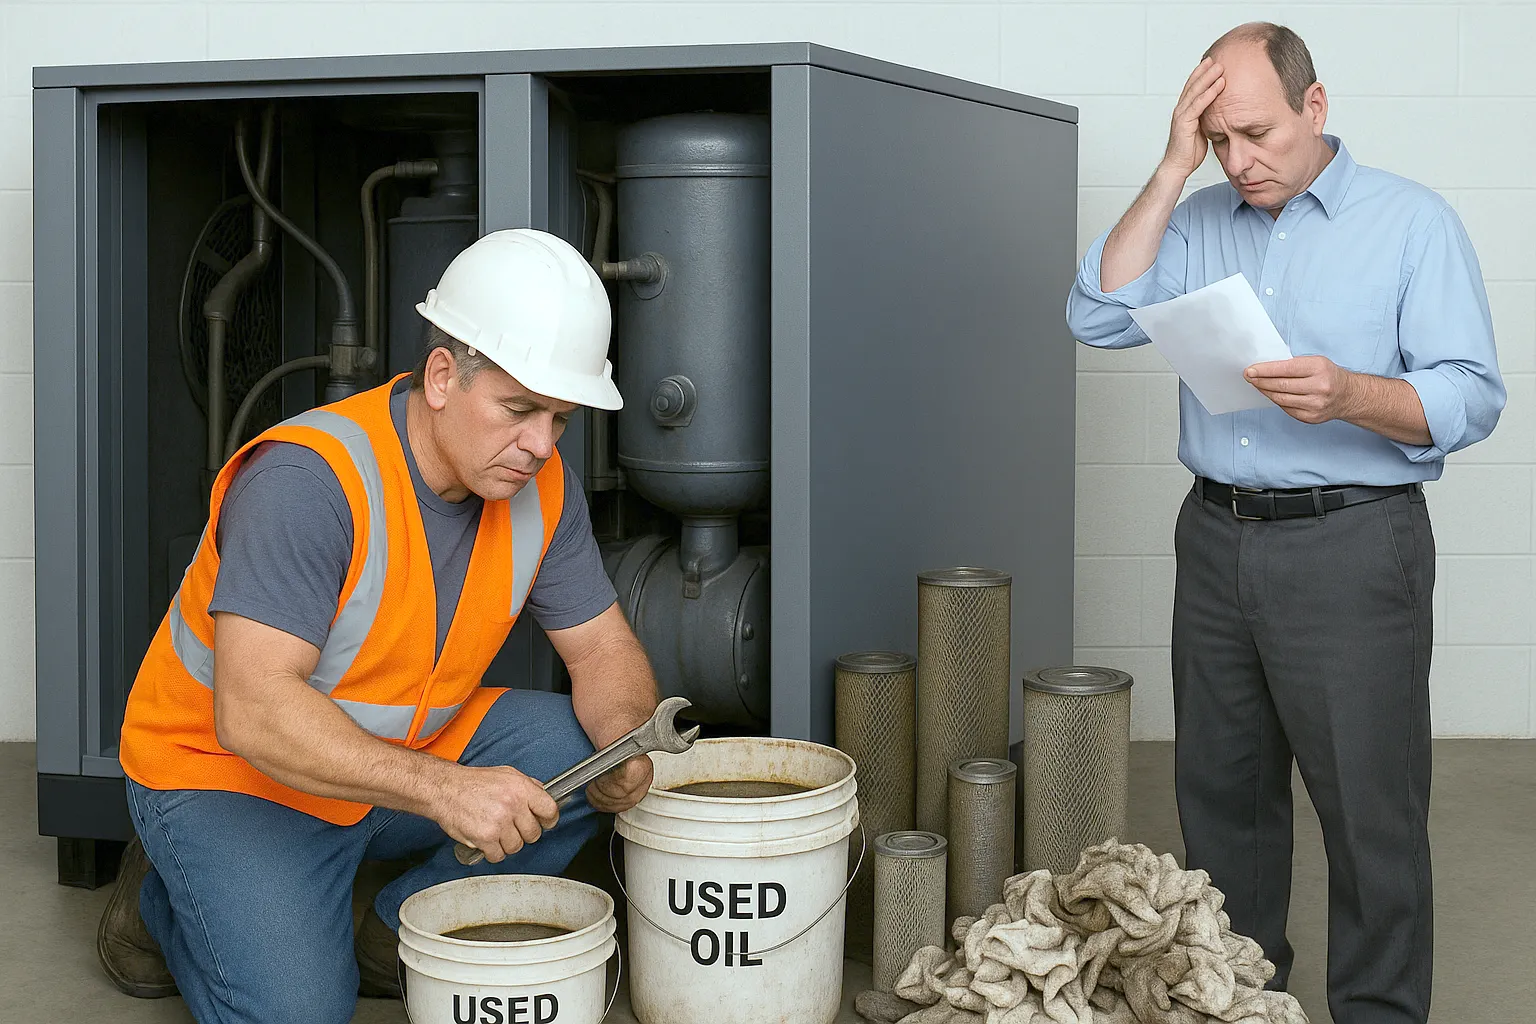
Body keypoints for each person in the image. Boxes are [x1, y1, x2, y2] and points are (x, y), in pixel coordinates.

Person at [96, 228, 661, 1023]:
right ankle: (164, 897)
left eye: (561, 418)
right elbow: (253, 710)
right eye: (519, 408)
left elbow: (600, 646)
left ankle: (393, 935)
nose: (540, 444)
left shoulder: (540, 484)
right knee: (301, 1014)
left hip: (391, 755)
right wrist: (446, 791)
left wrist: (626, 743)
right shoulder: (308, 483)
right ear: (441, 377)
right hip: (231, 773)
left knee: (579, 748)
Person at [1066, 22, 1504, 1024]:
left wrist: (1352, 392)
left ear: (1316, 106)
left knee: (1370, 818)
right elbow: (1094, 312)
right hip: (1215, 539)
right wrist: (1175, 166)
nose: (1242, 161)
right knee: (1223, 802)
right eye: (1220, 140)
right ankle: (1243, 1004)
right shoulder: (1200, 213)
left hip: (1354, 546)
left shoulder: (1412, 223)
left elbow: (1471, 398)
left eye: (1256, 133)